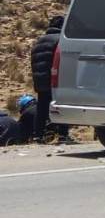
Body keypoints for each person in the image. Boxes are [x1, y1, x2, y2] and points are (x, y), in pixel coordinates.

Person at [29, 15, 65, 143]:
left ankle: (37, 135)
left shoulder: (39, 40)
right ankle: (63, 135)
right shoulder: (60, 40)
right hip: (54, 79)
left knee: (42, 108)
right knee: (60, 105)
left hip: (40, 79)